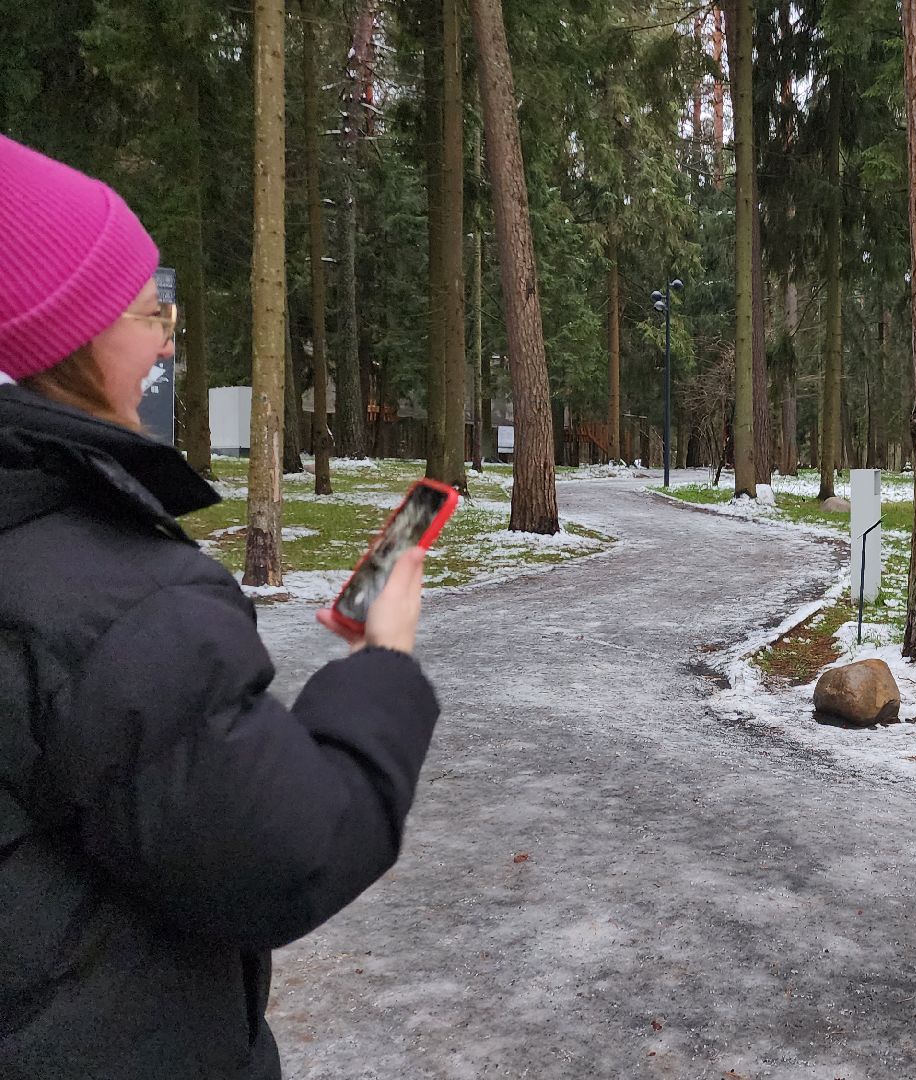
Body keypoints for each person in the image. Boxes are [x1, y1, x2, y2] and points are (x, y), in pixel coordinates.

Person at [0, 133, 444, 1079]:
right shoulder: (114, 600)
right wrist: (384, 666)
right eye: (145, 308)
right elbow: (292, 849)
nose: (166, 333)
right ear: (62, 340)